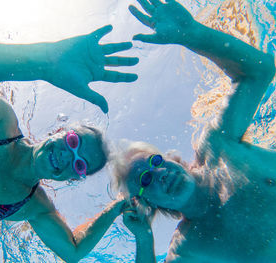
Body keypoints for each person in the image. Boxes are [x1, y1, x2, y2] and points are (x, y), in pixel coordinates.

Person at [0, 25, 139, 262]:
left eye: (80, 165)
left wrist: (119, 204)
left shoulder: (32, 207)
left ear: (73, 178)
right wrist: (46, 62)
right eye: (73, 141)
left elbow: (72, 252)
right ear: (59, 130)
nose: (69, 156)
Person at [111, 1, 276, 262]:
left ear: (171, 158)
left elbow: (259, 71)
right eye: (145, 181)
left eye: (156, 162)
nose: (160, 175)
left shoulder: (218, 146)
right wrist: (144, 237)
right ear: (149, 206)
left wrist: (194, 34)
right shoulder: (189, 247)